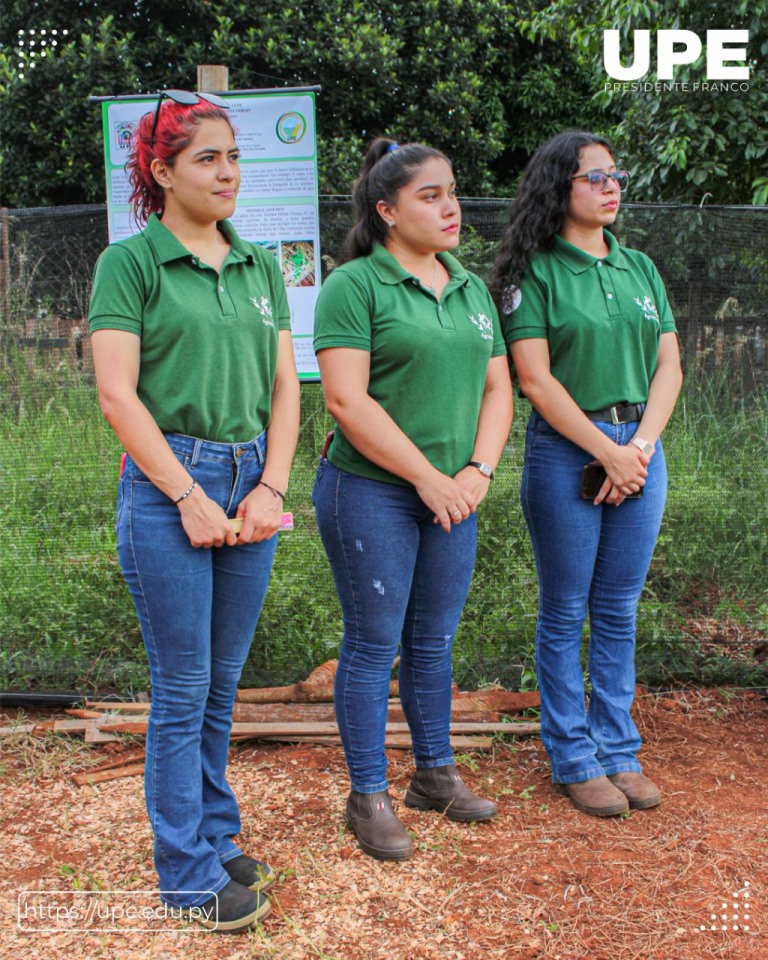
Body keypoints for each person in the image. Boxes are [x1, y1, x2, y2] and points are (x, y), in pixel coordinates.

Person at [88, 90, 300, 930]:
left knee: (220, 686)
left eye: (234, 156)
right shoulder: (130, 264)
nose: (227, 172)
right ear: (162, 170)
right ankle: (185, 873)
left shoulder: (259, 265)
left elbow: (286, 386)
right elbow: (115, 395)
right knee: (182, 689)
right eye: (208, 157)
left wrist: (271, 486)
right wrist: (186, 494)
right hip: (169, 485)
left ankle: (216, 833)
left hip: (252, 481)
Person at [312, 138, 513, 860]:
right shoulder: (354, 285)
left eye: (452, 191)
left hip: (456, 496)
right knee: (372, 645)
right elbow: (345, 398)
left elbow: (498, 388)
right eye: (431, 195)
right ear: (387, 210)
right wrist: (428, 478)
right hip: (371, 494)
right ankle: (367, 797)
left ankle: (435, 776)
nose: (451, 206)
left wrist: (478, 473)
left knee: (432, 642)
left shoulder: (469, 288)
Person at [489, 130, 683, 818]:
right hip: (570, 451)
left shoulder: (640, 268)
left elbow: (670, 367)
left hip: (641, 449)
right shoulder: (533, 272)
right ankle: (573, 757)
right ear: (558, 188)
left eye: (615, 175)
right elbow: (535, 382)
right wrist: (606, 452)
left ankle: (619, 750)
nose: (611, 187)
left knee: (617, 609)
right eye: (593, 177)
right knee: (567, 609)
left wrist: (640, 449)